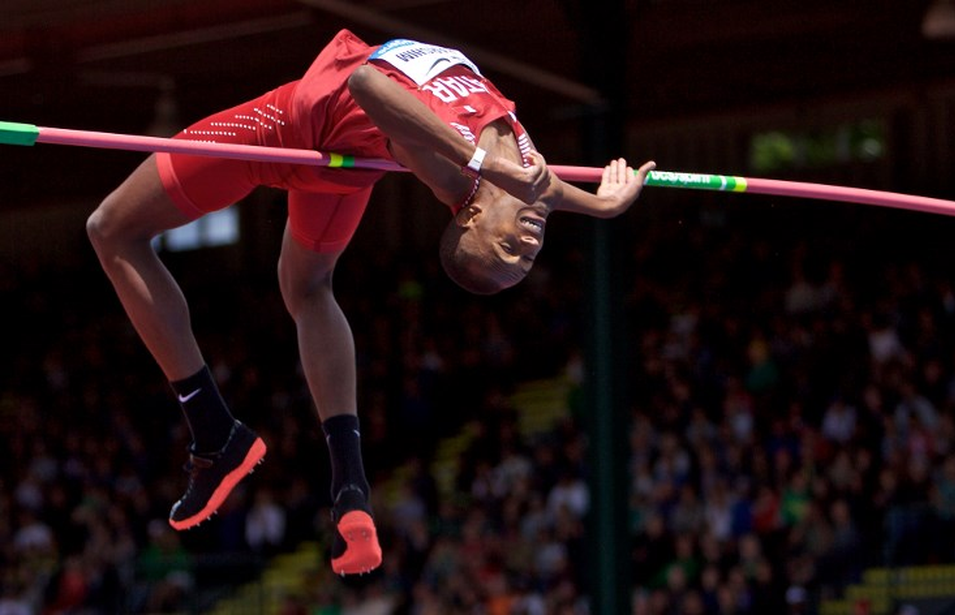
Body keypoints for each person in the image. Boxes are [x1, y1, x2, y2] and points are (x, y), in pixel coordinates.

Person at [85, 28, 655, 575]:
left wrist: (483, 163)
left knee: (111, 229)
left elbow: (365, 86)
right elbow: (547, 188)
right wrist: (605, 206)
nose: (530, 243)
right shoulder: (524, 175)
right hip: (346, 164)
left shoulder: (461, 172)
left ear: (472, 214)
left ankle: (213, 430)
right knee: (307, 287)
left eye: (509, 248)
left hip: (288, 130)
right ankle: (351, 488)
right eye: (524, 254)